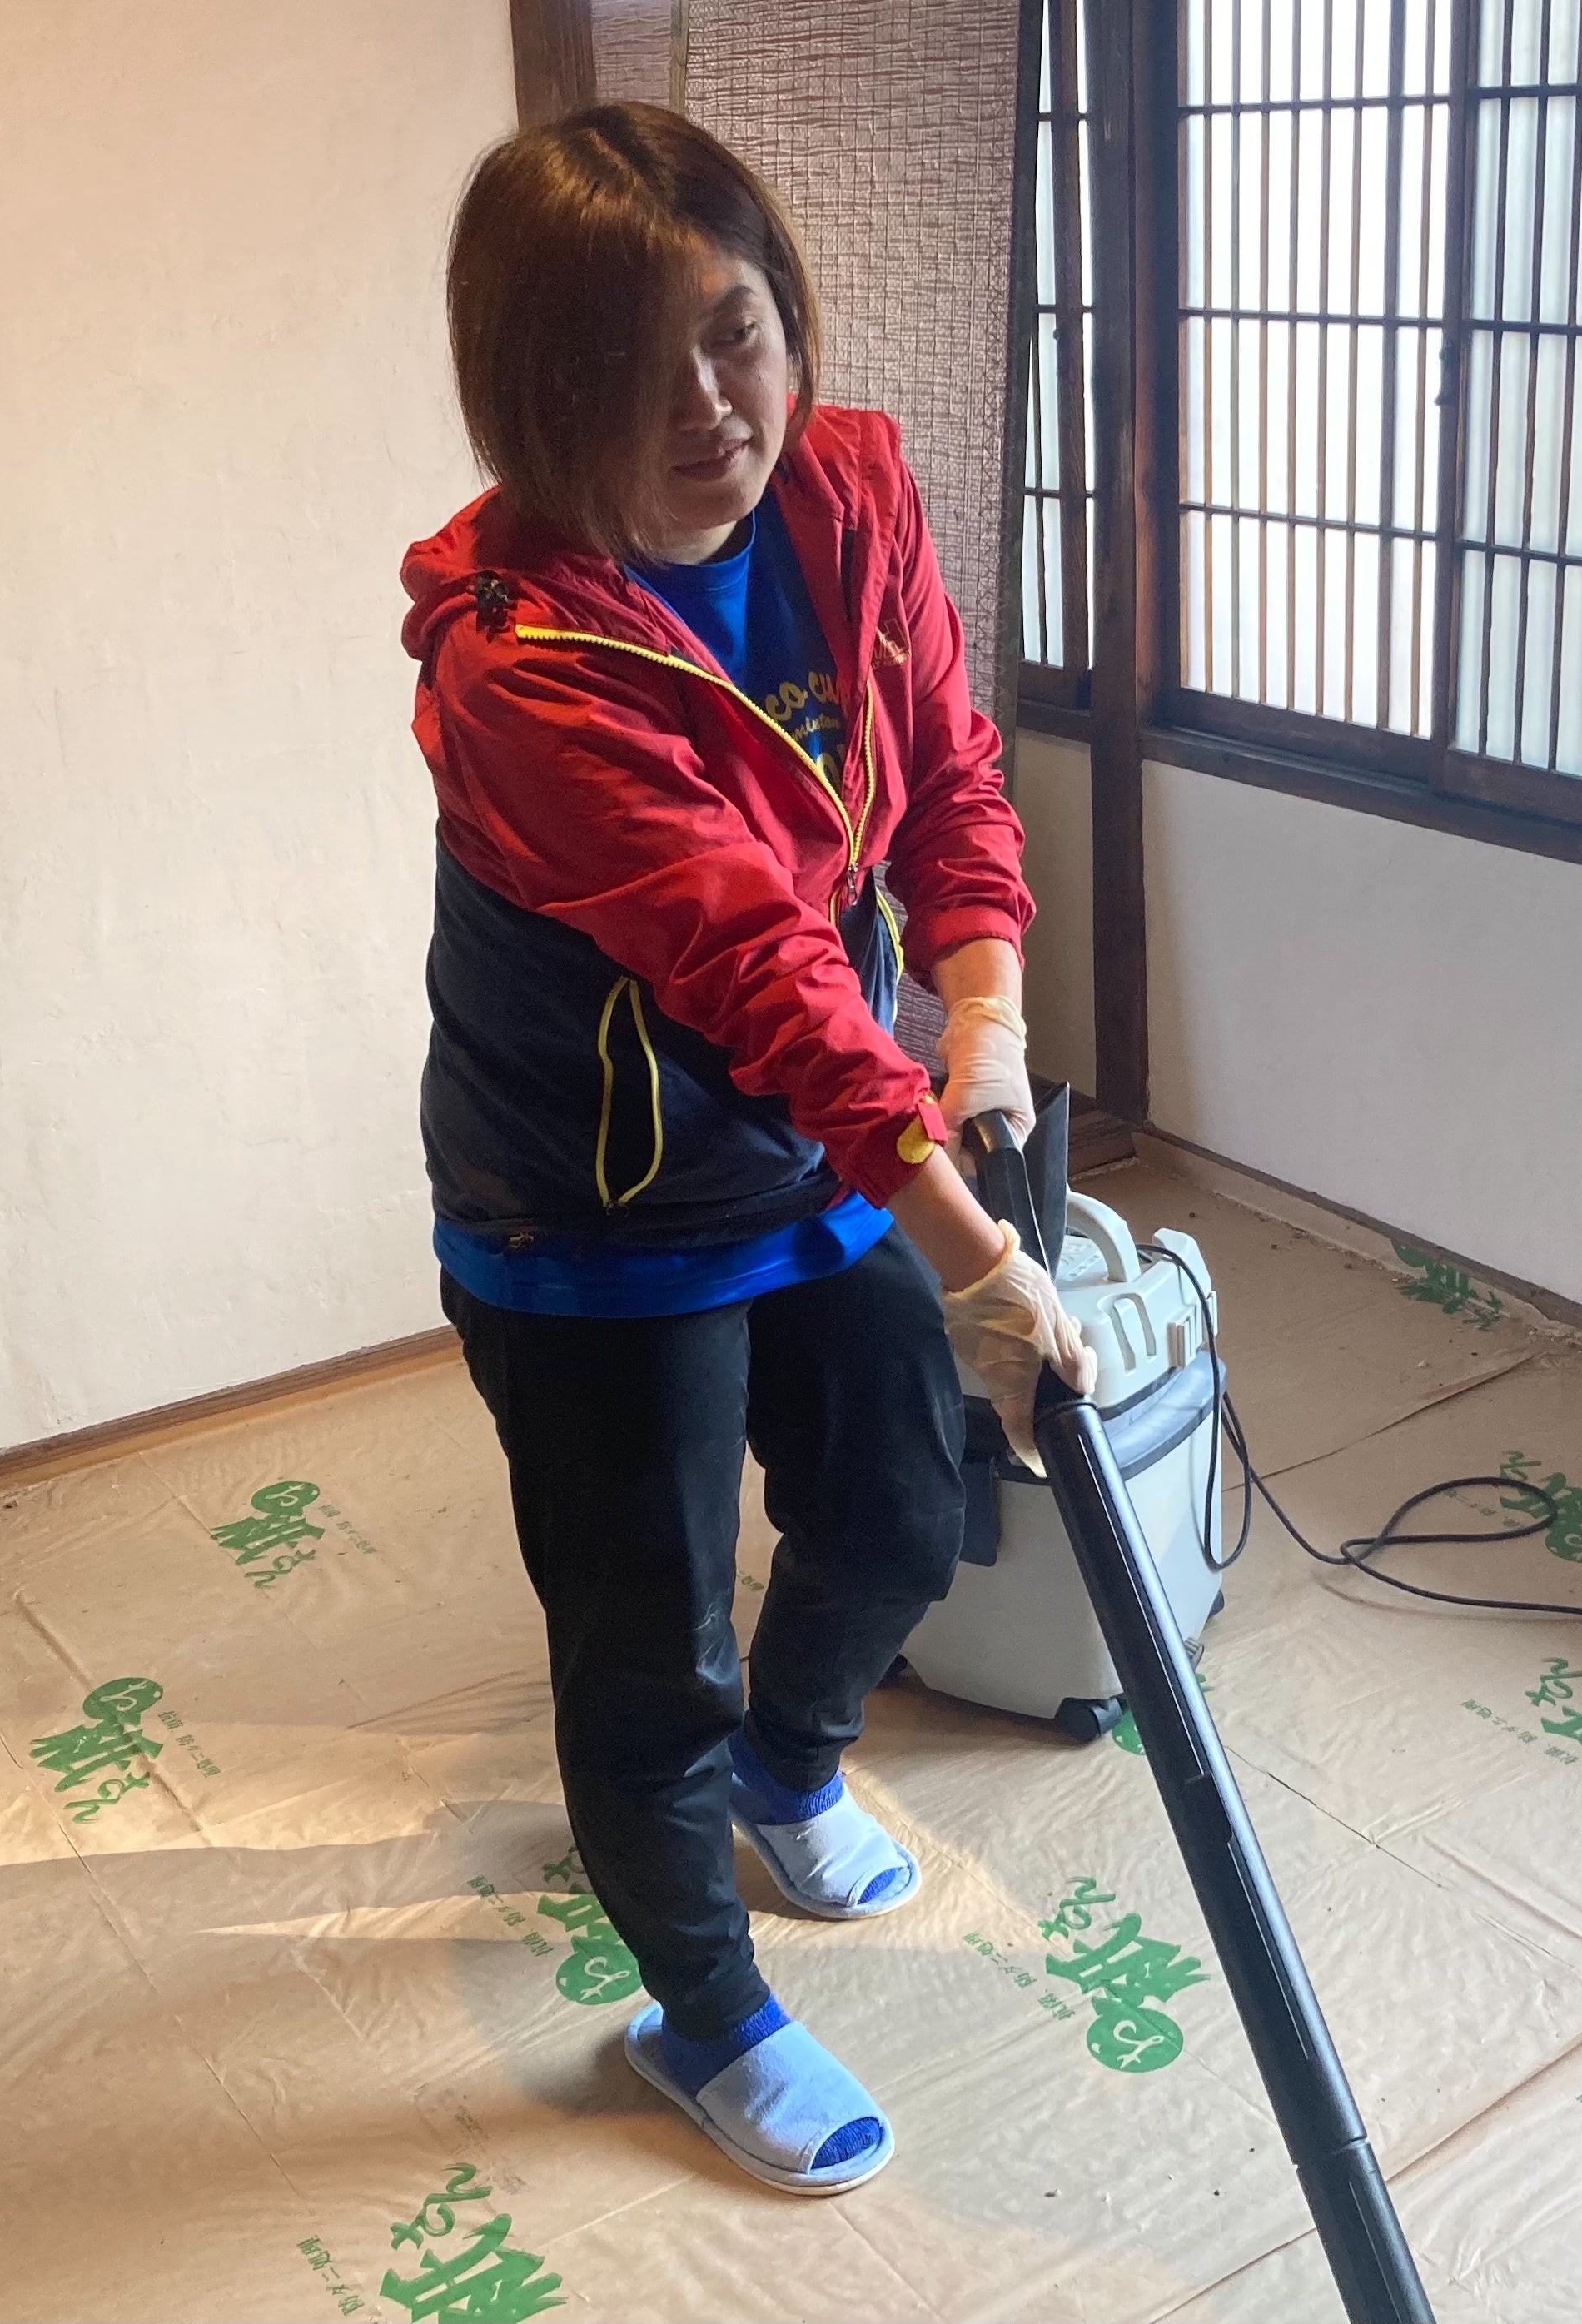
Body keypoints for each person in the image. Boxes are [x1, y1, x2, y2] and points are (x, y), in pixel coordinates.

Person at [399, 102, 1094, 2197]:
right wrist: (975, 1250)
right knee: (648, 1649)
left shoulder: (848, 492)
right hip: (590, 1213)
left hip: (820, 1150)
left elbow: (946, 775)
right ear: (541, 398)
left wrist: (984, 1009)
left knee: (897, 1515)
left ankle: (793, 1772)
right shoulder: (521, 668)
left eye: (738, 332)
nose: (714, 405)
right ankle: (698, 2012)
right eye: (641, 369)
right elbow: (756, 971)